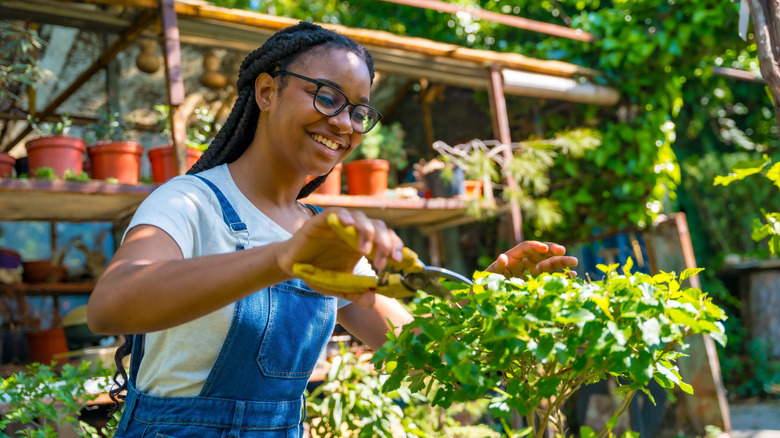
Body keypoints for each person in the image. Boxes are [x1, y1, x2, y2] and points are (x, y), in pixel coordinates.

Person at [86, 21, 578, 438]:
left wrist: (488, 301)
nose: (344, 123)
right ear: (266, 91)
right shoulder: (190, 201)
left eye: (359, 110)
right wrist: (280, 260)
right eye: (327, 97)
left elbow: (419, 351)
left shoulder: (323, 235)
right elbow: (110, 308)